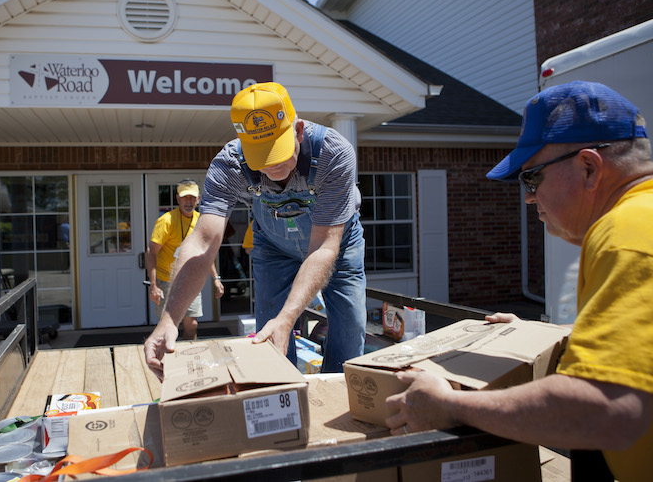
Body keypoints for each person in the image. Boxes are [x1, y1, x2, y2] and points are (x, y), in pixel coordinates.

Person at [383, 81, 653, 482]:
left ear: (590, 168)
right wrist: (539, 335)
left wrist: (451, 407)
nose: (528, 198)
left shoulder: (625, 234)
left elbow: (608, 410)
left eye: (532, 178)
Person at [144, 82, 366, 377]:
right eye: (261, 156)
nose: (272, 166)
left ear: (297, 130)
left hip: (337, 244)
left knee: (349, 332)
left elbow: (324, 246)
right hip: (273, 247)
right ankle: (281, 402)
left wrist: (288, 318)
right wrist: (169, 320)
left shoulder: (332, 153)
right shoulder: (230, 164)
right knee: (270, 341)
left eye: (278, 151)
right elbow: (201, 244)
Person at [145, 179, 224, 340]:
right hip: (167, 280)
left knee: (192, 325)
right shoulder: (166, 220)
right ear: (177, 199)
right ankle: (166, 360)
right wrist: (153, 284)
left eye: (192, 197)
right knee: (168, 327)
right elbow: (151, 252)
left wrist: (215, 278)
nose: (188, 201)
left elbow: (205, 253)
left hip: (191, 279)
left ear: (199, 199)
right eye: (184, 197)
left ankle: (187, 357)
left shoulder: (201, 220)